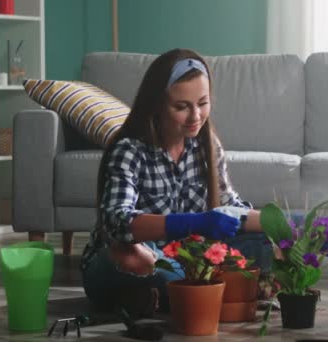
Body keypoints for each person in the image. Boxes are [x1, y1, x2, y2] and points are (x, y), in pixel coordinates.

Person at [80, 48, 266, 317]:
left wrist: (283, 225)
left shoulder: (206, 145)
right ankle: (200, 290)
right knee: (132, 257)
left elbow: (229, 208)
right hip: (133, 257)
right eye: (181, 107)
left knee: (261, 242)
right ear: (157, 104)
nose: (195, 117)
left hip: (185, 258)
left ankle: (169, 295)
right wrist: (193, 222)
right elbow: (116, 222)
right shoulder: (130, 150)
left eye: (202, 103)